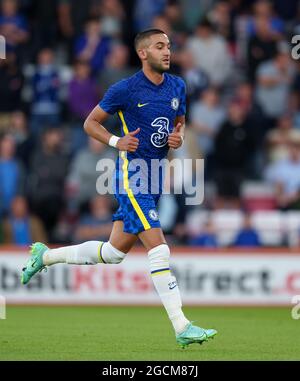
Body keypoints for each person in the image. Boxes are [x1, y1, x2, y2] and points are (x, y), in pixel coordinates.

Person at [21, 28, 217, 348]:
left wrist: (178, 136)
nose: (167, 51)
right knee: (159, 246)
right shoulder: (125, 89)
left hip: (156, 176)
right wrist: (116, 141)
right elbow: (90, 123)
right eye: (159, 46)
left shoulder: (178, 86)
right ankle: (182, 325)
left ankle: (45, 257)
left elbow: (179, 120)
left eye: (168, 45)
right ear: (143, 53)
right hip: (132, 176)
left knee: (112, 253)